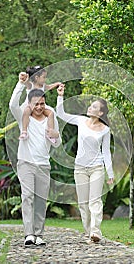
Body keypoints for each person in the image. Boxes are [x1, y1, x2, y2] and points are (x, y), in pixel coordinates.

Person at [9, 71, 62, 247]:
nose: (39, 107)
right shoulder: (22, 117)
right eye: (36, 104)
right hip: (26, 163)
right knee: (28, 196)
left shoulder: (50, 116)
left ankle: (39, 234)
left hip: (43, 165)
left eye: (42, 104)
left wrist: (55, 135)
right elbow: (12, 104)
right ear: (29, 105)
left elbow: (56, 143)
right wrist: (20, 84)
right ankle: (29, 234)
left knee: (41, 199)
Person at [56, 85, 114, 243]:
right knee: (83, 203)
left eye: (94, 106)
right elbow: (61, 114)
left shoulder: (105, 130)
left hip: (97, 168)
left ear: (101, 113)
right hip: (80, 168)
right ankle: (89, 232)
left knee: (95, 200)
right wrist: (60, 96)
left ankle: (96, 231)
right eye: (91, 105)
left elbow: (106, 152)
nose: (90, 107)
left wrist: (110, 173)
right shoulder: (81, 121)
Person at [19, 66, 62, 143]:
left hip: (39, 106)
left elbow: (49, 87)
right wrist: (24, 78)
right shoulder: (30, 85)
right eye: (44, 77)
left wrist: (57, 84)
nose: (45, 79)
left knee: (50, 113)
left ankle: (50, 132)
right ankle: (24, 131)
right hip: (30, 106)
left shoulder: (43, 86)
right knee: (26, 112)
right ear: (36, 78)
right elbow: (26, 83)